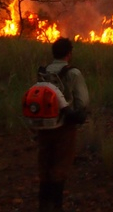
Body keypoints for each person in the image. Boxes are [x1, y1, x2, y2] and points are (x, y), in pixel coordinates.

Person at [36, 37, 89, 212]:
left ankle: (43, 204)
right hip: (64, 126)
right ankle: (56, 206)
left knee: (45, 162)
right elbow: (82, 101)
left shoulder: (43, 71)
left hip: (42, 124)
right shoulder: (73, 73)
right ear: (69, 54)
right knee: (61, 163)